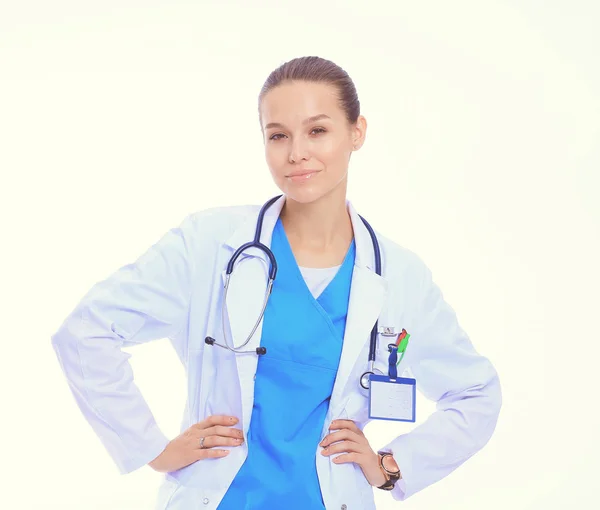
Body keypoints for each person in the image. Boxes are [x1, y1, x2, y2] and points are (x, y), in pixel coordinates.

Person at [51, 56, 502, 510]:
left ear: (357, 133)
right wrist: (151, 449)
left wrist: (391, 465)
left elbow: (476, 395)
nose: (296, 153)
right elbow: (86, 332)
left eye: (317, 131)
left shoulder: (401, 277)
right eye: (278, 135)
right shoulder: (208, 244)